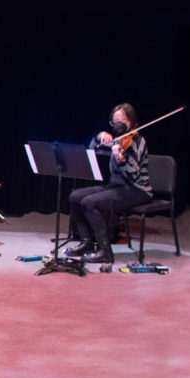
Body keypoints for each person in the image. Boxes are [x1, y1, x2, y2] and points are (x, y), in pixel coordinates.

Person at [62, 104, 152, 264]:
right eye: (114, 121)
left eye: (122, 121)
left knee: (90, 203)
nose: (118, 124)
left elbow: (134, 174)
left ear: (131, 121)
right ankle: (86, 243)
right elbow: (92, 149)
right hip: (117, 187)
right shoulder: (117, 141)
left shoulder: (138, 141)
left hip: (137, 189)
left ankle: (105, 251)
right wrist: (99, 136)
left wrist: (121, 159)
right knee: (75, 196)